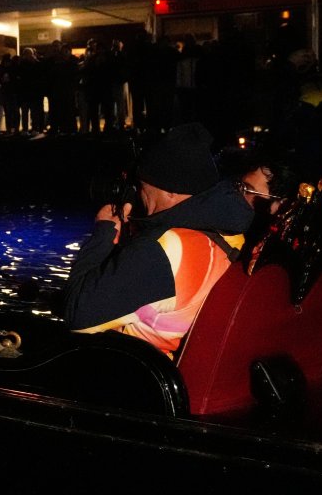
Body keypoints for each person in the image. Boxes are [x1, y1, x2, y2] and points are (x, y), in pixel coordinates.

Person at [60, 122, 254, 357]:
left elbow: (77, 315)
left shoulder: (164, 249)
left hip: (138, 375)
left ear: (171, 191)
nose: (141, 194)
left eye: (143, 186)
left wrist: (103, 232)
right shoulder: (230, 233)